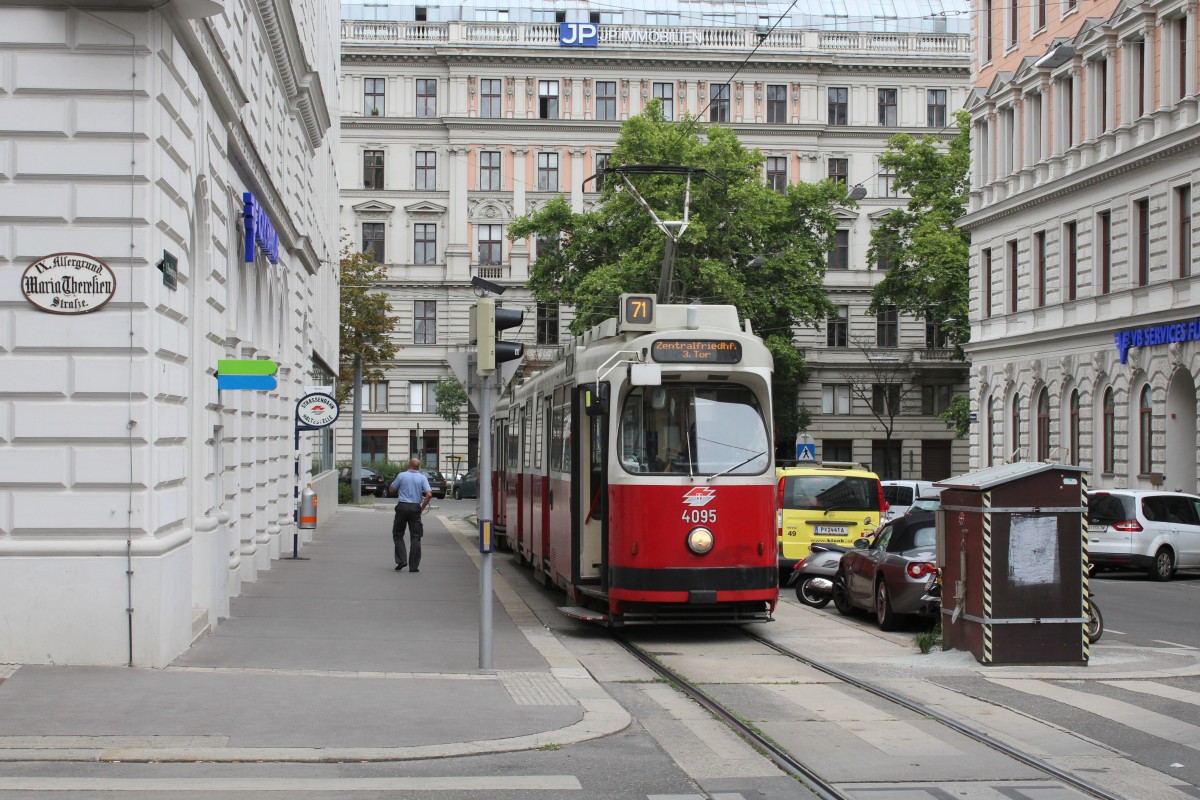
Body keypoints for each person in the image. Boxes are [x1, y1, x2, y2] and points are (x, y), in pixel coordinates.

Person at [388, 458, 432, 572]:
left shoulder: (402, 475)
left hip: (402, 507)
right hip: (415, 508)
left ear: (409, 465)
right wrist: (422, 507)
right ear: (418, 467)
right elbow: (429, 494)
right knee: (416, 537)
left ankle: (402, 560)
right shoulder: (422, 478)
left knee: (397, 534)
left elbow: (392, 489)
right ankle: (413, 566)